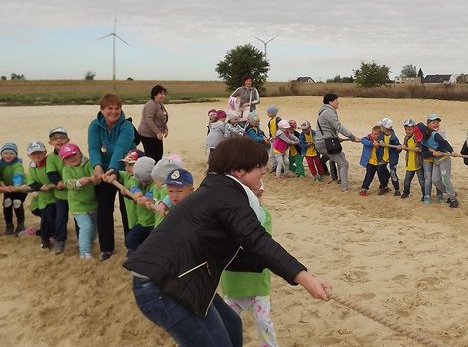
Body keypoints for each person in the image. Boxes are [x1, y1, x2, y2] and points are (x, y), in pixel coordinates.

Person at [123, 137, 330, 347]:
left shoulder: (217, 189)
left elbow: (235, 253)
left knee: (231, 324)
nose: (264, 171)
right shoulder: (227, 194)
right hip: (162, 284)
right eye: (259, 166)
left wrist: (273, 266)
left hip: (179, 278)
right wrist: (304, 278)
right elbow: (257, 240)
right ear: (239, 171)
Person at [220, 178, 280, 347]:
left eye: (258, 196)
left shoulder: (264, 214)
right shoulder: (227, 217)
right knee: (228, 324)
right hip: (233, 283)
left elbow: (262, 243)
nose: (255, 199)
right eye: (250, 195)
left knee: (264, 323)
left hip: (257, 283)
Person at [88, 93, 136, 260]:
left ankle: (132, 245)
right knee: (104, 209)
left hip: (125, 170)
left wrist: (114, 169)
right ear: (102, 110)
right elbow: (93, 148)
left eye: (117, 108)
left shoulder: (127, 126)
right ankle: (106, 248)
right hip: (103, 173)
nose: (114, 112)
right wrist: (97, 167)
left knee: (128, 210)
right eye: (110, 108)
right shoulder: (94, 126)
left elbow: (121, 149)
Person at [61, 143, 100, 259]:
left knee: (94, 227)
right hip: (77, 205)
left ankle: (88, 241)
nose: (72, 158)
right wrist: (79, 182)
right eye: (67, 157)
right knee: (86, 226)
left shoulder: (87, 163)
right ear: (64, 161)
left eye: (74, 154)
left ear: (80, 153)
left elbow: (94, 174)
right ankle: (84, 252)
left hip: (92, 202)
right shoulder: (66, 170)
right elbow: (68, 183)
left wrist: (95, 177)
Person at [314, 93, 358, 191]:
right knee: (344, 164)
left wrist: (337, 138)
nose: (338, 102)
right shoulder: (328, 112)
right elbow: (338, 126)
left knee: (341, 157)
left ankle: (339, 180)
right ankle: (344, 187)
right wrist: (352, 137)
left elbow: (329, 129)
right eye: (336, 100)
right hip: (325, 143)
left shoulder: (324, 111)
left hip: (322, 142)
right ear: (330, 102)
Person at [20, 141, 57, 248]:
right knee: (46, 219)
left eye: (39, 152)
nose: (37, 155)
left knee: (52, 218)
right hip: (42, 199)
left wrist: (51, 185)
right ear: (29, 155)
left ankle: (49, 236)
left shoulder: (50, 163)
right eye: (34, 153)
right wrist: (40, 187)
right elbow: (31, 182)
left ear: (45, 152)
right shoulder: (32, 166)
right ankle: (45, 240)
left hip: (55, 197)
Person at [417, 117, 459, 208]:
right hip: (436, 160)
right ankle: (451, 193)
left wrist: (452, 151)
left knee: (445, 179)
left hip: (444, 158)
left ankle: (453, 199)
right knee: (435, 180)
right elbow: (424, 152)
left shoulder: (434, 135)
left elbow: (444, 143)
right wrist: (432, 153)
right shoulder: (422, 140)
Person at [46, 127, 71, 254]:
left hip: (75, 192)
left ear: (68, 139)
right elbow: (51, 173)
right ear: (50, 143)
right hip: (60, 193)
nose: (59, 141)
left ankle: (83, 240)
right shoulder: (50, 158)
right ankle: (60, 240)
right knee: (61, 218)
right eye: (55, 139)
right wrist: (58, 182)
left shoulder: (74, 151)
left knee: (80, 217)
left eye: (62, 138)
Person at [125, 156, 157, 251]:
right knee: (129, 241)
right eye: (141, 180)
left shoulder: (156, 183)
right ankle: (141, 254)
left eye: (146, 180)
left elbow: (152, 194)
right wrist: (136, 191)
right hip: (142, 222)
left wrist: (146, 198)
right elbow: (133, 182)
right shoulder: (137, 178)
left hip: (154, 223)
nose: (143, 183)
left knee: (153, 245)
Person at [1, 142, 27, 234]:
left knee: (17, 202)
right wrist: (3, 186)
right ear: (1, 154)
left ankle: (21, 224)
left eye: (11, 153)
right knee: (7, 203)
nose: (8, 155)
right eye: (5, 153)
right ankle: (9, 225)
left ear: (15, 154)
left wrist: (16, 186)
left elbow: (18, 175)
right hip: (8, 188)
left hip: (20, 188)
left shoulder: (18, 164)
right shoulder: (0, 164)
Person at [138, 84, 169, 162]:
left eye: (164, 94)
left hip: (156, 135)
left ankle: (157, 172)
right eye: (161, 94)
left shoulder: (160, 105)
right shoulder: (150, 105)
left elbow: (163, 118)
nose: (163, 95)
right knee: (151, 156)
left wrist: (165, 129)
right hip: (147, 135)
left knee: (159, 154)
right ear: (155, 94)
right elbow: (149, 120)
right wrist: (158, 132)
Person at [358, 124, 388, 197]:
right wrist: (372, 143)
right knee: (369, 176)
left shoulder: (382, 140)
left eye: (376, 134)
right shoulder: (368, 138)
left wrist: (379, 145)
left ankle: (384, 187)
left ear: (380, 134)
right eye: (373, 133)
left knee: (386, 174)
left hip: (379, 162)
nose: (374, 135)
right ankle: (364, 189)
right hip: (370, 162)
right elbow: (363, 140)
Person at [401, 119, 424, 199]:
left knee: (421, 181)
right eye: (406, 129)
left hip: (418, 163)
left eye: (410, 129)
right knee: (407, 180)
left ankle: (425, 195)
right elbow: (406, 146)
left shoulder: (417, 136)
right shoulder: (406, 138)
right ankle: (406, 193)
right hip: (410, 163)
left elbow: (421, 146)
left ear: (414, 129)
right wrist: (404, 147)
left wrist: (418, 148)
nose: (408, 131)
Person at [378, 118, 401, 196]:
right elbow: (380, 138)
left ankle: (397, 189)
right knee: (380, 170)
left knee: (393, 173)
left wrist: (398, 148)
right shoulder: (382, 133)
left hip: (392, 158)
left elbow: (398, 148)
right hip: (383, 156)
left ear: (385, 128)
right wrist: (380, 141)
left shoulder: (394, 138)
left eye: (381, 126)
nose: (380, 127)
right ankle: (384, 186)